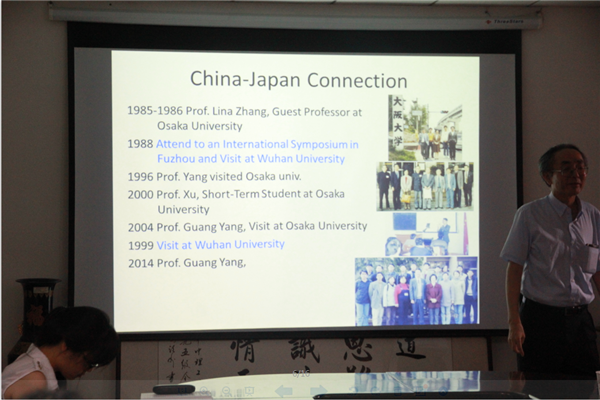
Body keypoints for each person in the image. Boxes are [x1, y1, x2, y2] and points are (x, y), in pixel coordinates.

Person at [501, 144, 600, 377]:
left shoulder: (593, 216)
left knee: (587, 388)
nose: (576, 174)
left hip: (581, 321)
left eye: (580, 167)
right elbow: (514, 269)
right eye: (567, 169)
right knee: (539, 388)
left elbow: (597, 271)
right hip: (540, 321)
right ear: (548, 176)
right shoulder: (529, 215)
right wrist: (514, 322)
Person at [2, 306, 119, 399]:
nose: (88, 370)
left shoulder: (31, 364)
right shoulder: (34, 379)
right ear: (67, 345)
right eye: (89, 362)